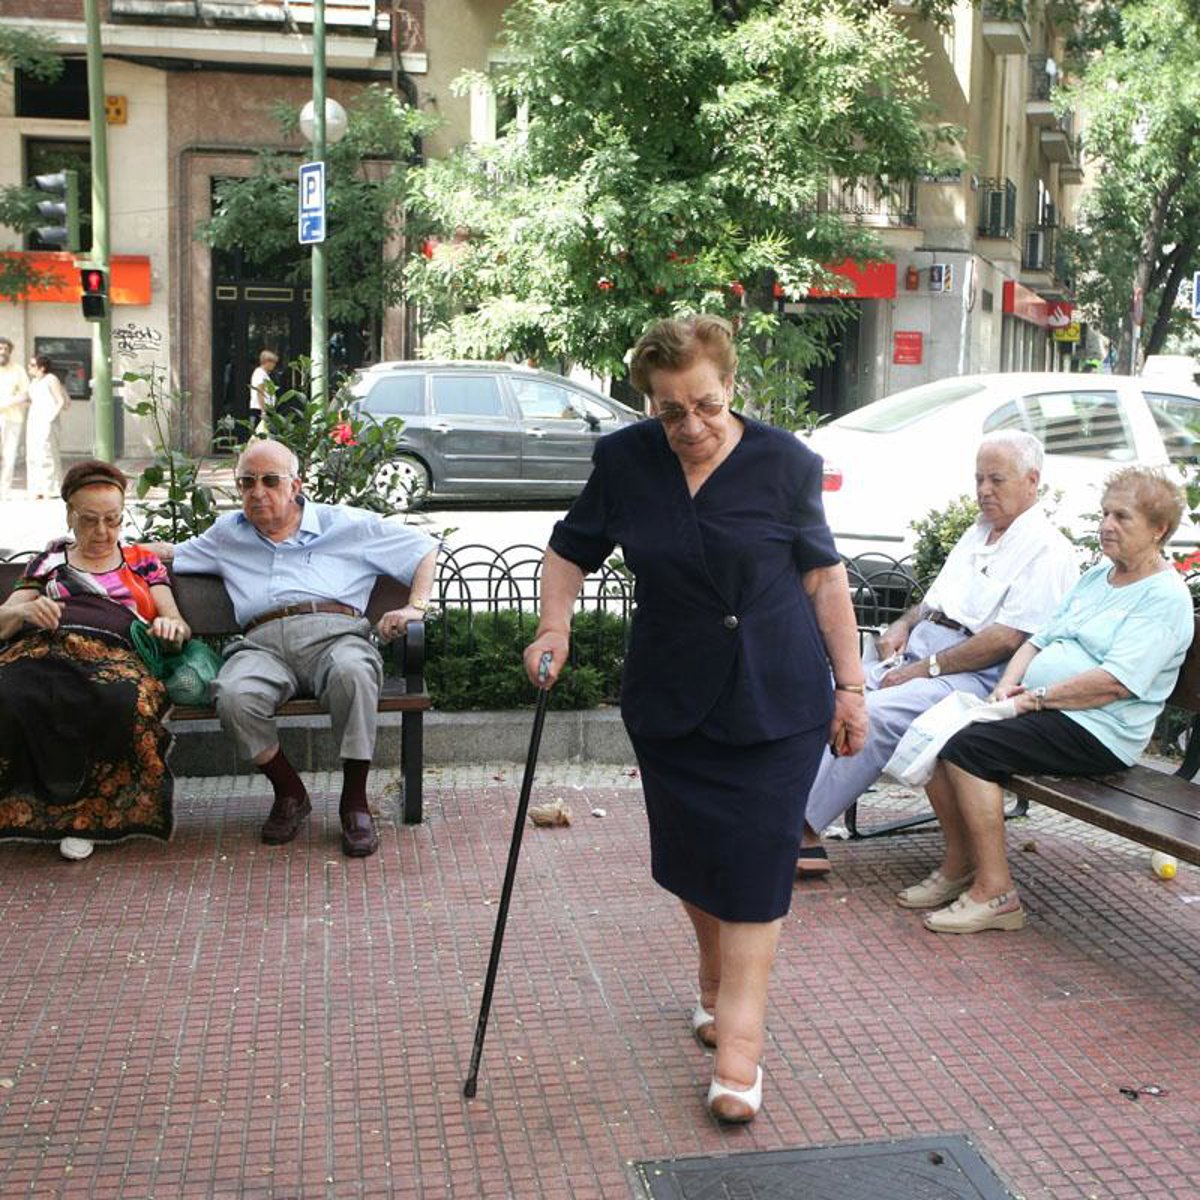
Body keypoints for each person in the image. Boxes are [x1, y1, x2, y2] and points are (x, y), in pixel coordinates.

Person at [523, 315, 867, 1124]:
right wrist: (553, 625)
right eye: (670, 410)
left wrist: (851, 688)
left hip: (775, 695)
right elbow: (569, 550)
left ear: (731, 386)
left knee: (755, 865)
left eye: (706, 405)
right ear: (649, 403)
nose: (691, 425)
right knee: (692, 860)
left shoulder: (785, 462)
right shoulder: (625, 461)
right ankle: (711, 975)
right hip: (672, 693)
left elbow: (824, 580)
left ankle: (739, 1047)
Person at [909, 467, 1193, 933]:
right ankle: (960, 866)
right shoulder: (1098, 577)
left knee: (968, 750)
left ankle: (996, 893)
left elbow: (1114, 684)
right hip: (1053, 710)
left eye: (1122, 517)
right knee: (941, 732)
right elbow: (1039, 640)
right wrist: (1008, 685)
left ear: (1158, 529)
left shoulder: (1164, 597)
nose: (1107, 525)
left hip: (1101, 729)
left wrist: (1037, 699)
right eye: (1104, 514)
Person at [796, 430, 1078, 876]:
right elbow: (934, 603)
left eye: (996, 480)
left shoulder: (1048, 548)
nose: (984, 490)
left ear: (1032, 480)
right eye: (979, 479)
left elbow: (1007, 639)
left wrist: (926, 669)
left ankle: (800, 831)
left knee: (877, 713)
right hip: (923, 652)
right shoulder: (978, 531)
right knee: (824, 690)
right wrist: (903, 625)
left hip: (975, 674)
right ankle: (775, 804)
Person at [153, 438, 437, 858]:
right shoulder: (227, 535)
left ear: (296, 486)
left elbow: (423, 548)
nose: (257, 492)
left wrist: (415, 607)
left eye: (270, 481)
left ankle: (354, 802)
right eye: (247, 482)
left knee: (355, 674)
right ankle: (289, 791)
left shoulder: (345, 524)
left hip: (336, 637)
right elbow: (170, 555)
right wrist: (93, 546)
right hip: (262, 645)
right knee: (233, 693)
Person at [0, 460, 189, 861]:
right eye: (89, 520)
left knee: (122, 699)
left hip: (115, 657)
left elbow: (176, 622)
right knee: (10, 691)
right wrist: (23, 611)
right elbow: (4, 621)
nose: (102, 532)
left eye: (112, 519)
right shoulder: (48, 562)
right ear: (69, 515)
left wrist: (170, 628)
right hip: (43, 653)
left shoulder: (142, 561)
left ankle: (86, 817)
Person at [25, 355, 70, 500]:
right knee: (33, 454)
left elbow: (60, 401)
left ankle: (51, 488)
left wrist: (50, 418)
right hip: (34, 420)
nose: (29, 367)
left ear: (42, 367)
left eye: (33, 365)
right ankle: (37, 488)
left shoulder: (51, 379)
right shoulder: (34, 382)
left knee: (47, 454)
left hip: (47, 421)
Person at [0, 337, 29, 500]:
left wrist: (4, 403)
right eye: (0, 348)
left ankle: (3, 491)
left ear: (10, 352)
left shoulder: (18, 370)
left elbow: (25, 395)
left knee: (8, 456)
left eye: (6, 349)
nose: (2, 352)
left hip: (12, 419)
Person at [249, 349, 279, 428]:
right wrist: (263, 412)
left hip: (264, 409)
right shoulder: (260, 373)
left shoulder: (264, 374)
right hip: (259, 409)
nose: (274, 365)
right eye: (273, 362)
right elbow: (260, 392)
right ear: (267, 362)